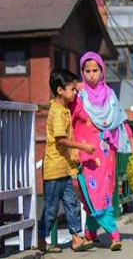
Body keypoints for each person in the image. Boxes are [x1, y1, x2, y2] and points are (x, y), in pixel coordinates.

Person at [69, 52, 133, 252]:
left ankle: (90, 234)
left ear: (102, 71)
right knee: (93, 193)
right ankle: (114, 234)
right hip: (86, 155)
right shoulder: (78, 96)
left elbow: (121, 121)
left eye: (95, 70)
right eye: (87, 71)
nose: (91, 75)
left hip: (107, 154)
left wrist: (132, 144)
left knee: (104, 193)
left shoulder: (110, 96)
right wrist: (72, 148)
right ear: (82, 72)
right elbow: (67, 122)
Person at [38, 69, 95, 254]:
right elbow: (61, 139)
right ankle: (41, 239)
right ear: (60, 90)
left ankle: (77, 238)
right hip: (54, 169)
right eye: (72, 89)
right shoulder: (56, 112)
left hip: (65, 168)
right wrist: (82, 147)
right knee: (51, 208)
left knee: (72, 203)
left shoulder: (64, 109)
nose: (75, 93)